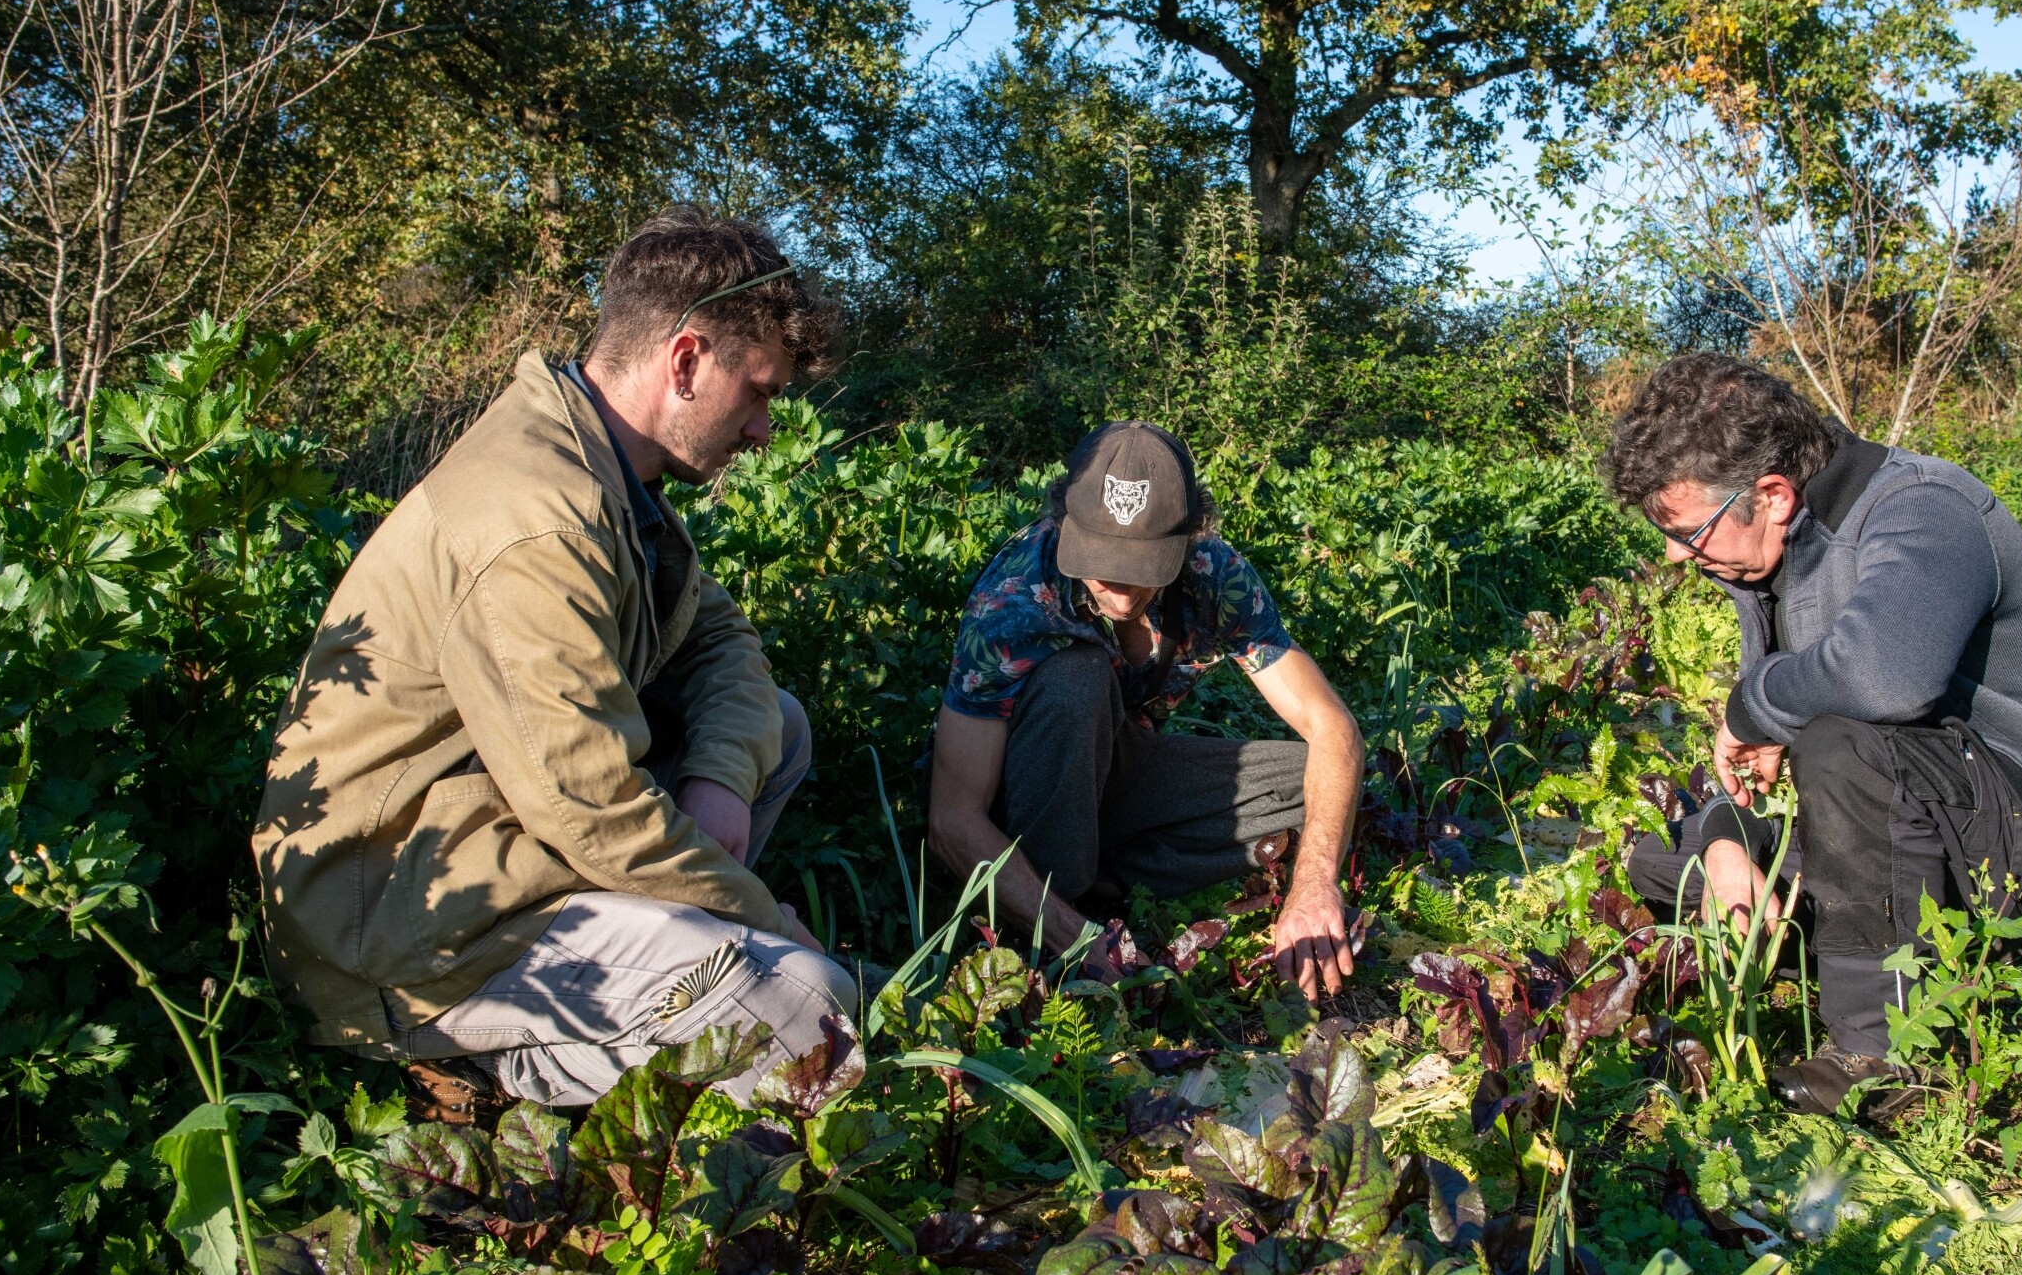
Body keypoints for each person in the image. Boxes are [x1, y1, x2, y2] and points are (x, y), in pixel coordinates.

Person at [253, 206, 857, 1122]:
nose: (765, 429)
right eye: (761, 391)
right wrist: (767, 921)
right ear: (686, 360)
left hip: (495, 846)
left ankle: (684, 980)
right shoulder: (541, 514)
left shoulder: (610, 470)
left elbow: (723, 642)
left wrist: (721, 780)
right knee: (811, 1014)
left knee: (779, 723)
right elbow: (595, 807)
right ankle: (489, 1073)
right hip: (402, 933)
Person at [1602, 353, 2022, 1115]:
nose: (1674, 553)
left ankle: (1885, 1052)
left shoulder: (1920, 508)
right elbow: (1777, 756)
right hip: (1920, 808)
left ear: (1771, 494)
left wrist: (1749, 705)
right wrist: (1729, 838)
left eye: (1687, 530)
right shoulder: (1763, 557)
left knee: (1835, 740)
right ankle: (1891, 945)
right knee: (1671, 859)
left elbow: (1883, 679)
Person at [925, 422, 1366, 998]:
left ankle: (1100, 885)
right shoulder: (1009, 603)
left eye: (1147, 565)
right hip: (1027, 794)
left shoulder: (1213, 575)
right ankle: (1060, 903)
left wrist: (1315, 884)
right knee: (1073, 682)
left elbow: (1332, 726)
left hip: (1123, 769)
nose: (1126, 593)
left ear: (1188, 539)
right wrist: (1076, 940)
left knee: (1312, 784)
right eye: (1105, 561)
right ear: (1064, 524)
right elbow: (952, 821)